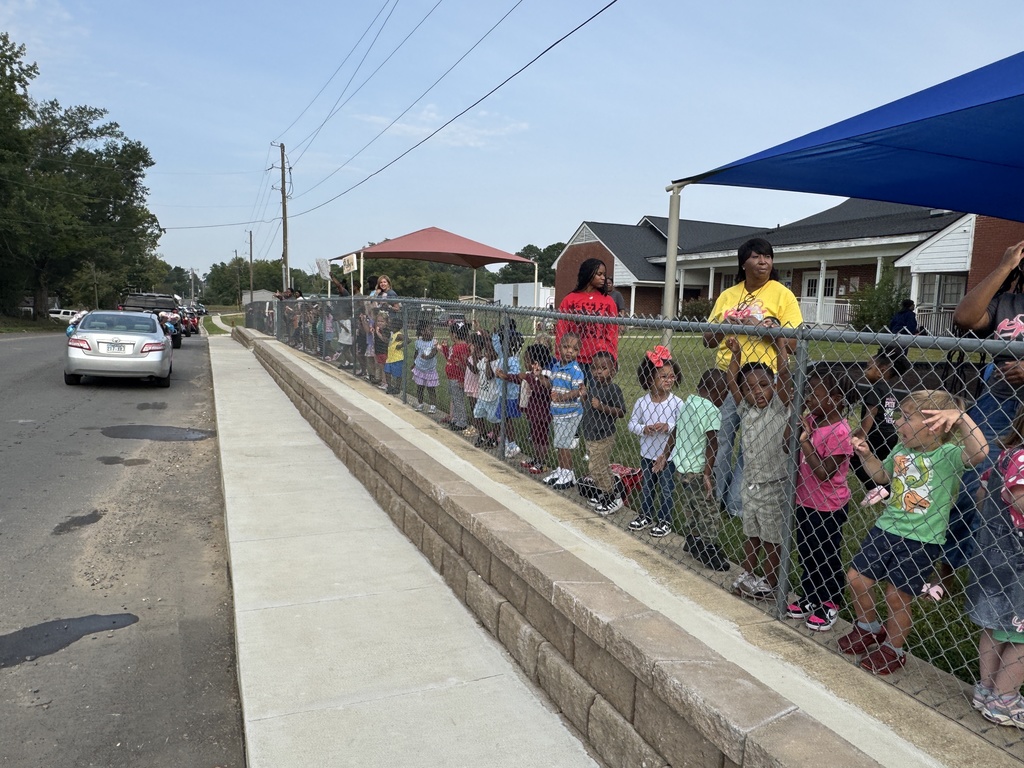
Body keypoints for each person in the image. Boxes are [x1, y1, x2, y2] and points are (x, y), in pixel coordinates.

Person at [841, 390, 987, 675]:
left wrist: (961, 418)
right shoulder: (900, 450)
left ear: (934, 425)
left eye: (906, 418)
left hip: (921, 540)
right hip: (886, 528)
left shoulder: (949, 455)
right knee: (856, 578)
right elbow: (882, 476)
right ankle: (868, 627)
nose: (897, 423)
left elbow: (980, 452)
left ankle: (894, 648)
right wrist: (867, 455)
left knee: (898, 596)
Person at [703, 238, 802, 519]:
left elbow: (793, 344)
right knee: (720, 440)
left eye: (768, 256)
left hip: (762, 383)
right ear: (743, 262)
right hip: (726, 379)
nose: (764, 262)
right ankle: (714, 497)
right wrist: (725, 326)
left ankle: (737, 505)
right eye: (757, 256)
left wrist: (762, 328)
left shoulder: (783, 295)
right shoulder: (727, 296)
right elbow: (708, 340)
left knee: (752, 447)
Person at [945, 240, 1024, 586]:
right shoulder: (1006, 301)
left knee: (1015, 495)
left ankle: (1002, 574)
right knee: (970, 489)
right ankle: (949, 570)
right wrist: (1004, 266)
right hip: (997, 404)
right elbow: (964, 317)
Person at [966, 408, 1024, 727]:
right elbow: (1019, 499)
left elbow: (982, 492)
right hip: (1018, 561)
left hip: (995, 555)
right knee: (1022, 636)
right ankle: (1005, 698)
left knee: (998, 623)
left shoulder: (1008, 455)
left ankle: (986, 689)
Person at [784, 370, 854, 632]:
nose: (809, 398)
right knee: (807, 552)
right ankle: (811, 595)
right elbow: (784, 446)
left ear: (835, 399)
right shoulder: (812, 420)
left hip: (828, 506)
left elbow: (824, 472)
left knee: (826, 554)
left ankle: (830, 601)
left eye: (814, 393)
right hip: (805, 501)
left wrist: (805, 442)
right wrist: (797, 416)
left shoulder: (839, 431)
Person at [724, 334, 793, 599]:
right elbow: (732, 381)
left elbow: (785, 375)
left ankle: (771, 581)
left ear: (773, 386)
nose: (758, 392)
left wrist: (780, 347)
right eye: (751, 388)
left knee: (771, 538)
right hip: (750, 485)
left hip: (774, 485)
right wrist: (736, 354)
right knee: (751, 533)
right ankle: (749, 573)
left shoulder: (778, 407)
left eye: (764, 385)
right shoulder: (745, 409)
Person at [670, 369, 729, 571]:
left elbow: (676, 430)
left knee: (691, 506)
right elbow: (713, 443)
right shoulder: (712, 410)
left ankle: (692, 539)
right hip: (697, 470)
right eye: (725, 393)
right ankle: (708, 547)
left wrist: (664, 454)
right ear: (720, 391)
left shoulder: (689, 403)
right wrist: (707, 473)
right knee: (708, 511)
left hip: (682, 467)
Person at [627, 346, 685, 538]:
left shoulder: (677, 403)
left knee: (667, 489)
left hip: (668, 456)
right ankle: (645, 515)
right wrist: (644, 428)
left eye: (672, 376)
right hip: (647, 454)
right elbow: (632, 424)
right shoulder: (642, 403)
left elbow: (683, 425)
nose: (669, 380)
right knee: (647, 487)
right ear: (650, 379)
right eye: (663, 376)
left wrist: (668, 426)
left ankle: (665, 520)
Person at [852, 346, 914, 486]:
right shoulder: (889, 389)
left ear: (881, 371)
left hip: (876, 435)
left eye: (869, 368)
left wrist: (861, 434)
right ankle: (885, 488)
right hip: (889, 434)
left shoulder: (876, 389)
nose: (865, 371)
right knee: (881, 465)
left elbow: (871, 412)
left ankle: (876, 488)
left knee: (853, 457)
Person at [555, 258, 619, 381]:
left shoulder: (608, 301)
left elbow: (612, 333)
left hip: (598, 360)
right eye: (599, 274)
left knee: (595, 397)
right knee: (574, 395)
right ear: (588, 274)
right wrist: (560, 355)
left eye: (604, 275)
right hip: (573, 358)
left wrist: (612, 358)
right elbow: (562, 330)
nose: (603, 278)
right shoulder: (570, 299)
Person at [580, 351, 627, 514]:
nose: (598, 371)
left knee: (596, 468)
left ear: (613, 371)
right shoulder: (593, 387)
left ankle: (611, 497)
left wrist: (602, 407)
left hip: (604, 435)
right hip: (591, 434)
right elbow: (588, 406)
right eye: (594, 368)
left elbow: (621, 412)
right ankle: (603, 490)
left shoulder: (613, 389)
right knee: (600, 466)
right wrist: (584, 397)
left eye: (603, 368)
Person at [540, 332, 586, 491]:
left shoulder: (575, 370)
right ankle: (561, 470)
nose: (569, 351)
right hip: (559, 413)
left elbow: (579, 391)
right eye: (566, 347)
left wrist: (562, 397)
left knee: (565, 444)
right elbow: (550, 385)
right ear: (559, 348)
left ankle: (568, 473)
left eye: (573, 349)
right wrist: (540, 377)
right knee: (560, 443)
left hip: (571, 413)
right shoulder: (557, 366)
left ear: (578, 351)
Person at [504, 342, 554, 475]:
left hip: (543, 413)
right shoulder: (530, 374)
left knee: (541, 438)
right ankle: (536, 459)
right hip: (533, 411)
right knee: (535, 437)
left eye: (526, 360)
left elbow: (543, 389)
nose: (524, 363)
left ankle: (541, 462)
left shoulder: (545, 374)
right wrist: (505, 376)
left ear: (535, 362)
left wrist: (532, 377)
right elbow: (518, 378)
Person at [439, 323, 471, 431]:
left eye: (450, 333)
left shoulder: (462, 347)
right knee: (454, 399)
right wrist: (444, 348)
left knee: (458, 400)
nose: (449, 335)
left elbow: (464, 366)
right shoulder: (455, 346)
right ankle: (456, 419)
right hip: (451, 377)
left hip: (457, 379)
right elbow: (449, 357)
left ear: (454, 334)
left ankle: (462, 422)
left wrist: (461, 380)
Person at [471, 334, 499, 448]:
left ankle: (494, 439)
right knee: (477, 414)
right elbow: (476, 368)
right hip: (482, 395)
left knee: (494, 419)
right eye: (486, 350)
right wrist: (473, 355)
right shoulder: (483, 360)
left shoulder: (496, 363)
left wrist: (488, 362)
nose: (487, 353)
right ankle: (483, 435)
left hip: (492, 397)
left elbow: (489, 376)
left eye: (491, 350)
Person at [411, 320, 439, 413]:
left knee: (431, 389)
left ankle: (433, 406)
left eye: (432, 330)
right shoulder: (418, 342)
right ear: (422, 332)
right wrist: (414, 364)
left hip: (430, 370)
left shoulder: (434, 342)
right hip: (420, 369)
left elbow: (434, 352)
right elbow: (416, 354)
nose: (432, 332)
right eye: (430, 330)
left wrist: (427, 357)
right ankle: (420, 404)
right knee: (420, 387)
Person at [383, 323, 404, 395]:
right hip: (390, 357)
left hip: (397, 358)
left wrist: (400, 345)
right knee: (387, 372)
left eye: (393, 326)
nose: (391, 327)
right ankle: (390, 386)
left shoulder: (399, 334)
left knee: (398, 374)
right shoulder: (392, 334)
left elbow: (407, 340)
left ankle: (397, 388)